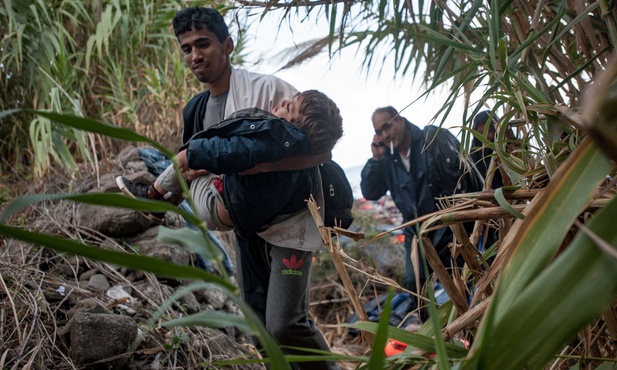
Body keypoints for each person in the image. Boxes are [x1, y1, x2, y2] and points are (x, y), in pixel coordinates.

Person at [161, 7, 337, 369]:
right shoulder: (195, 112)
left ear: (227, 44)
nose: (195, 55)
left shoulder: (269, 89)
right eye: (187, 48)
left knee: (286, 323)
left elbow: (321, 148)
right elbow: (194, 166)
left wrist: (259, 164)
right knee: (258, 322)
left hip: (290, 226)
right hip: (245, 228)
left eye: (203, 44)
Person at [116, 89, 342, 235]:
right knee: (207, 160)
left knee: (196, 157)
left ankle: (153, 195)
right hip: (231, 211)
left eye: (289, 107)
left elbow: (228, 151)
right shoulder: (297, 157)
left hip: (216, 206)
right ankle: (166, 203)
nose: (282, 102)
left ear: (295, 129)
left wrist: (190, 153)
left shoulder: (273, 141)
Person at [360, 106, 482, 320]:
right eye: (379, 131)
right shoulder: (387, 160)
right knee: (414, 286)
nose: (385, 134)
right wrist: (376, 159)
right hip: (415, 233)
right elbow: (370, 192)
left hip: (448, 226)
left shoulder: (432, 139)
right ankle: (433, 335)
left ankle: (474, 326)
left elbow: (464, 179)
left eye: (387, 126)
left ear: (402, 120)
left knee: (464, 281)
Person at [470, 110, 516, 189]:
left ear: (496, 129)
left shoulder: (507, 145)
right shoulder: (474, 151)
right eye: (481, 132)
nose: (485, 136)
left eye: (489, 131)